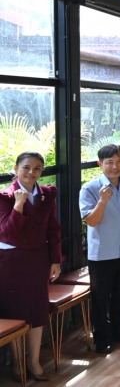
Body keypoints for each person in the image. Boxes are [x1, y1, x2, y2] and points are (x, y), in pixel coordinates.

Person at [0, 152, 61, 380]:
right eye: (26, 167)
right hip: (10, 263)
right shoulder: (4, 196)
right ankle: (18, 364)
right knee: (15, 312)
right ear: (15, 168)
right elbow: (7, 232)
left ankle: (34, 362)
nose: (31, 173)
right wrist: (18, 205)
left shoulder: (47, 194)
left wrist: (55, 260)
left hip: (38, 260)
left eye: (37, 168)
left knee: (37, 310)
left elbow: (53, 229)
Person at [79, 144, 120, 353]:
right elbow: (91, 221)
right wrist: (103, 201)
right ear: (100, 164)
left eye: (119, 162)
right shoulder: (89, 189)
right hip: (102, 254)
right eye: (109, 163)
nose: (114, 167)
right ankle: (102, 336)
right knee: (101, 298)